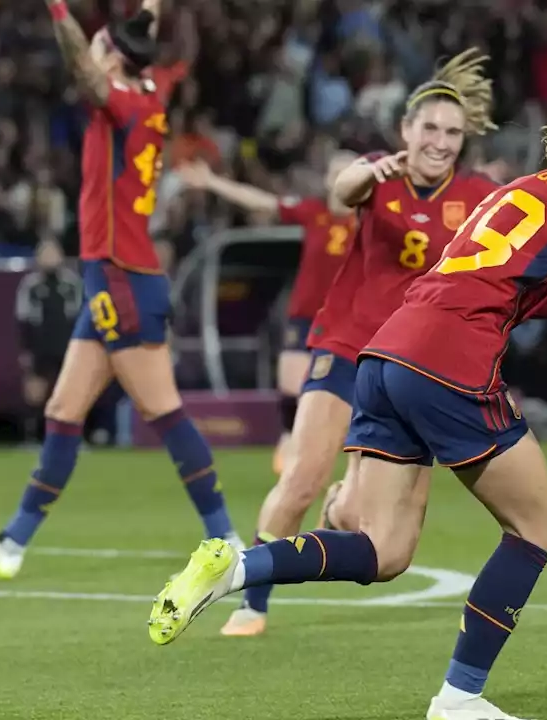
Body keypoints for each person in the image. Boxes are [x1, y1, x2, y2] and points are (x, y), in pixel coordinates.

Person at [147, 72, 547, 720]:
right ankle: (458, 699)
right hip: (448, 364)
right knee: (537, 526)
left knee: (384, 551)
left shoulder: (529, 189)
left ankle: (236, 569)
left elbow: (500, 283)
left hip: (388, 354)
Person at [0, 0, 242, 579]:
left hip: (122, 276)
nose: (95, 53)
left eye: (103, 46)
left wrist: (58, 9)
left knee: (163, 409)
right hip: (111, 275)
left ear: (114, 62)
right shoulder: (152, 89)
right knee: (62, 408)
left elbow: (83, 67)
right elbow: (142, 31)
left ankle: (226, 541)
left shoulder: (123, 104)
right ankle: (13, 543)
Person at [214, 48, 502, 638]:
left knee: (374, 525)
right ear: (406, 130)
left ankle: (342, 508)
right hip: (346, 348)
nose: (440, 140)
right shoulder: (378, 174)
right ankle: (252, 602)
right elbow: (341, 189)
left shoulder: (475, 196)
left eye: (452, 131)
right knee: (300, 477)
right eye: (429, 127)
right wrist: (366, 174)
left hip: (411, 367)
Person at [174, 152, 357, 475]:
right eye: (338, 173)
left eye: (352, 172)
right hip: (306, 317)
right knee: (291, 385)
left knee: (340, 396)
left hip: (349, 324)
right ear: (328, 180)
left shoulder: (372, 221)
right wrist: (214, 182)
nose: (344, 180)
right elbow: (263, 202)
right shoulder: (312, 212)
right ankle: (290, 443)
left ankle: (336, 455)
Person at [14, 238, 82, 444]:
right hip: (40, 347)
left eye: (53, 253)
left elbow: (79, 316)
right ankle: (33, 437)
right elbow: (23, 318)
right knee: (36, 392)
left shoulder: (72, 283)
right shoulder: (30, 285)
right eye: (45, 253)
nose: (49, 258)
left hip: (67, 346)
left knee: (70, 393)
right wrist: (26, 350)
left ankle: (72, 438)